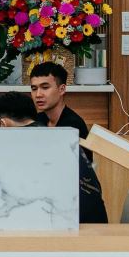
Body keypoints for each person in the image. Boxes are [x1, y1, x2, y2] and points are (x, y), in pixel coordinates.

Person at [28, 61, 108, 223]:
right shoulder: (39, 120)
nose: (38, 94)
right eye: (34, 88)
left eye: (45, 87)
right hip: (58, 203)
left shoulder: (71, 125)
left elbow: (64, 176)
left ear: (62, 89)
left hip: (81, 208)